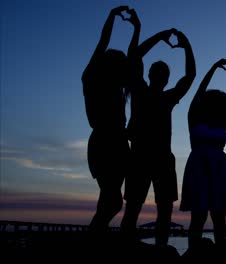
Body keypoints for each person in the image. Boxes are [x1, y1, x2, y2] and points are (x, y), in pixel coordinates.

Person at [120, 23, 196, 246]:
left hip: (151, 158)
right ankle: (158, 248)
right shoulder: (156, 96)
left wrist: (161, 37)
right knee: (156, 210)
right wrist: (185, 45)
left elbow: (135, 55)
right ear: (162, 78)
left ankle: (152, 248)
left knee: (139, 209)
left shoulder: (149, 94)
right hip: (149, 157)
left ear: (152, 75)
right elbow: (190, 75)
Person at [82, 6, 138, 234]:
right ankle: (94, 235)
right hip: (105, 142)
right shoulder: (92, 79)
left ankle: (96, 236)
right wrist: (112, 17)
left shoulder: (116, 89)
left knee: (109, 199)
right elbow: (102, 43)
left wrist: (136, 29)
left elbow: (134, 59)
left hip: (116, 143)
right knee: (112, 200)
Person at [180, 58, 226, 248]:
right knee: (198, 216)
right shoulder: (194, 120)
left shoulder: (223, 123)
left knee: (219, 217)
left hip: (220, 170)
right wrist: (213, 68)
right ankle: (193, 252)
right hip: (198, 169)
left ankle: (220, 252)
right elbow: (198, 93)